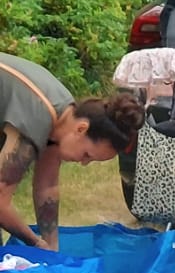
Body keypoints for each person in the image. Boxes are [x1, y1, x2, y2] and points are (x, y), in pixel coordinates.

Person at [0, 59, 140, 249]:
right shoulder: (38, 117)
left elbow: (47, 186)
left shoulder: (62, 117)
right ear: (81, 129)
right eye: (86, 154)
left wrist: (52, 248)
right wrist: (35, 242)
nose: (83, 163)